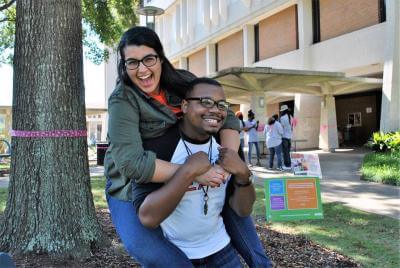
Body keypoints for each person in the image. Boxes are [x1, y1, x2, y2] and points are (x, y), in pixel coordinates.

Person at [105, 26, 270, 267]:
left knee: (248, 236)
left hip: (198, 162)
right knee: (153, 253)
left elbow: (228, 117)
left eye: (148, 59)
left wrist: (229, 158)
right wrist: (194, 173)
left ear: (160, 58)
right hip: (129, 184)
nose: (142, 70)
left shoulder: (182, 81)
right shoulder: (122, 99)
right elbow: (131, 164)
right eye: (132, 63)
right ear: (124, 66)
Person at [133, 78, 269, 267]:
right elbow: (148, 218)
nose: (215, 110)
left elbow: (242, 210)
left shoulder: (226, 146)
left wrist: (244, 175)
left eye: (222, 105)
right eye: (205, 102)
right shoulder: (159, 145)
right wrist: (188, 171)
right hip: (175, 256)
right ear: (185, 106)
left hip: (221, 250)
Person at [280, 105, 293, 169]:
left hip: (284, 137)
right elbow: (291, 127)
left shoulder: (282, 118)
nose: (281, 112)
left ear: (284, 111)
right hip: (289, 137)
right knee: (288, 152)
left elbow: (281, 128)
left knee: (285, 152)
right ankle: (289, 164)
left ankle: (286, 165)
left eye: (282, 111)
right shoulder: (290, 117)